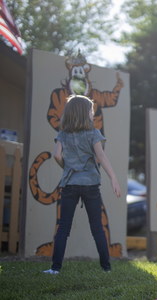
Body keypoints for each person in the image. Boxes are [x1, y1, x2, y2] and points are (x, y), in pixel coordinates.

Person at [43, 95, 121, 275]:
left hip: (70, 184)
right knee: (97, 227)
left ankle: (55, 268)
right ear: (86, 114)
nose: (92, 114)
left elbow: (57, 155)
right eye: (91, 111)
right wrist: (113, 178)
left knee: (63, 227)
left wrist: (67, 168)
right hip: (91, 185)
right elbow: (101, 156)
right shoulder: (93, 133)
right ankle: (106, 268)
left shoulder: (63, 134)